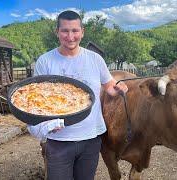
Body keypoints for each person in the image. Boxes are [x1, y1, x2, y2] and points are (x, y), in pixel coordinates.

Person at [27, 10, 128, 180]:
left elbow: (109, 86)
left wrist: (119, 88)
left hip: (90, 138)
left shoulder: (95, 60)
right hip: (58, 140)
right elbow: (37, 99)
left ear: (82, 31)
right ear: (57, 32)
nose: (70, 36)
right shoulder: (45, 61)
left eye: (75, 31)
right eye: (65, 31)